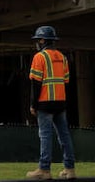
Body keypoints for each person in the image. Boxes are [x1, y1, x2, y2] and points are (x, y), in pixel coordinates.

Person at [26, 25, 76, 180]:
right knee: (64, 135)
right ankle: (70, 169)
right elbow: (66, 81)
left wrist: (33, 105)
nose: (37, 43)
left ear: (42, 40)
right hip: (60, 103)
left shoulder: (39, 57)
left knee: (45, 136)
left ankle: (44, 169)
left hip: (45, 103)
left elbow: (36, 83)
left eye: (38, 40)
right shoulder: (62, 57)